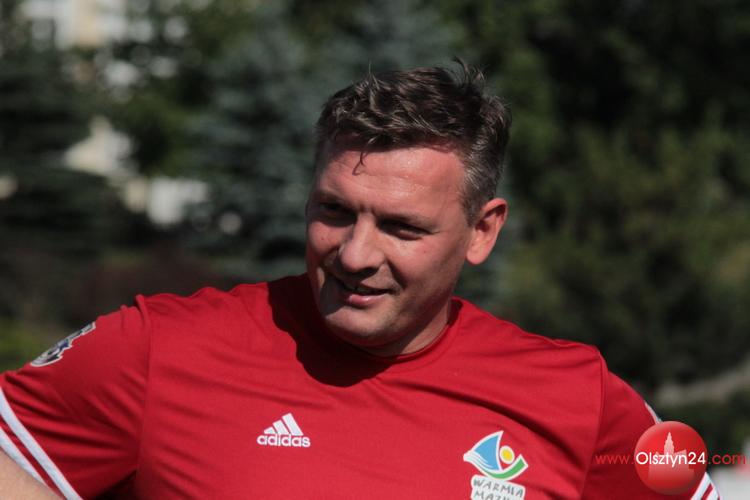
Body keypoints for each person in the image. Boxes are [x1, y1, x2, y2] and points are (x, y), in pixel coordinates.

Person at [0, 62, 719, 499]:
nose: (354, 254)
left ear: (482, 231)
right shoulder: (157, 349)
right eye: (335, 212)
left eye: (402, 227)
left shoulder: (578, 397)